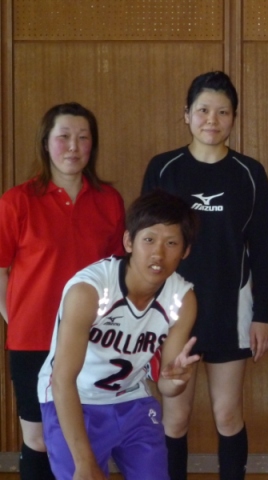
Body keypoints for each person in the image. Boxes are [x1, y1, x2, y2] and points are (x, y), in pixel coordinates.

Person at [141, 71, 268, 480]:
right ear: (186, 115)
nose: (211, 120)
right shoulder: (164, 169)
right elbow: (144, 241)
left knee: (227, 413)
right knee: (175, 418)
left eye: (222, 111)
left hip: (230, 308)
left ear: (234, 117)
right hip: (170, 311)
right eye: (202, 110)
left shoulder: (250, 173)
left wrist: (262, 315)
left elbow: (263, 248)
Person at [0, 102, 125, 480]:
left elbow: (116, 271)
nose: (74, 146)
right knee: (38, 439)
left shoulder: (109, 201)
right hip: (32, 341)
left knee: (82, 438)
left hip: (93, 340)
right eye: (64, 137)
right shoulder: (16, 201)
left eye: (83, 138)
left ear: (93, 146)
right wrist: (17, 318)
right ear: (46, 143)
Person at [36, 189, 199, 479]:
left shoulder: (182, 299)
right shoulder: (89, 290)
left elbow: (166, 387)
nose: (158, 253)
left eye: (172, 243)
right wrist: (85, 462)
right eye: (148, 240)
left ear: (186, 251)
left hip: (131, 399)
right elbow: (61, 379)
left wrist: (175, 382)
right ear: (128, 241)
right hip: (74, 399)